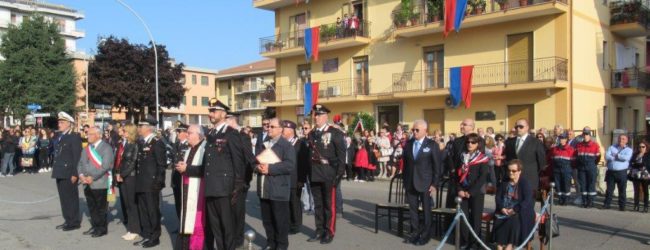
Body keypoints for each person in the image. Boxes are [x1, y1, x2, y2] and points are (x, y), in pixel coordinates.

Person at [202, 98, 246, 250]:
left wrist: (237, 187)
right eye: (210, 111)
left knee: (227, 228)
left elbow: (238, 162)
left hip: (225, 189)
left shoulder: (231, 133)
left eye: (214, 111)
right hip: (211, 187)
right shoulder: (210, 134)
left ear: (223, 113)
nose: (211, 114)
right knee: (216, 228)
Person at [306, 104, 345, 245]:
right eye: (315, 115)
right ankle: (319, 229)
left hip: (329, 174)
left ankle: (329, 231)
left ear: (325, 117)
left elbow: (341, 158)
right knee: (318, 205)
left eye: (319, 115)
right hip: (314, 174)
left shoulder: (335, 133)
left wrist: (338, 176)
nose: (316, 117)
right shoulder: (311, 134)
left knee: (329, 205)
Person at [254, 118, 296, 250]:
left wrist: (270, 169)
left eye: (272, 126)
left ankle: (281, 245)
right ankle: (270, 243)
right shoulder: (263, 143)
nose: (268, 128)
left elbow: (290, 165)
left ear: (280, 129)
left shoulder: (286, 145)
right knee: (267, 220)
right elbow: (254, 161)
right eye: (267, 126)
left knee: (280, 221)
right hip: (264, 188)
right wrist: (258, 168)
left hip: (278, 190)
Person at [402, 120, 442, 246]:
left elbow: (437, 167)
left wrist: (434, 184)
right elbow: (406, 165)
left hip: (425, 183)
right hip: (410, 182)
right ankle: (414, 233)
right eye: (413, 130)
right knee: (413, 209)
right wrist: (405, 181)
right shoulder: (408, 144)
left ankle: (425, 235)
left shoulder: (431, 145)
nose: (414, 132)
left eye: (417, 130)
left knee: (426, 210)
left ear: (425, 130)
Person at [133, 116, 167, 248]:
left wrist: (158, 182)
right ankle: (146, 234)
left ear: (148, 128)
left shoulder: (157, 143)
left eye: (141, 126)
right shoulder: (142, 142)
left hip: (151, 184)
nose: (139, 128)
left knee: (153, 211)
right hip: (141, 182)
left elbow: (161, 165)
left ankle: (154, 236)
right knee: (144, 210)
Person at [174, 124, 208, 250]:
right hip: (186, 190)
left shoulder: (205, 149)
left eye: (189, 133)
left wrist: (187, 168)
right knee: (186, 220)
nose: (186, 135)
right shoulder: (189, 149)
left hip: (198, 190)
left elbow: (205, 170)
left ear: (198, 135)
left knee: (196, 222)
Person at [226, 111, 257, 249]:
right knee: (228, 212)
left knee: (237, 212)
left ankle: (238, 238)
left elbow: (249, 159)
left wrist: (246, 181)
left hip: (240, 181)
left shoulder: (242, 136)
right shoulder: (225, 135)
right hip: (226, 180)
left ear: (231, 120)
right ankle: (230, 236)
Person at [78, 126, 114, 238]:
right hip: (86, 182)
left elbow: (105, 166)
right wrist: (81, 175)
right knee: (92, 206)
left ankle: (101, 228)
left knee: (101, 207)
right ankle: (95, 226)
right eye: (87, 134)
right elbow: (80, 164)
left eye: (91, 134)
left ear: (98, 135)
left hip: (100, 182)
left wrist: (92, 177)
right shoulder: (86, 148)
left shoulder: (106, 148)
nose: (88, 136)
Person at [455, 133, 489, 249]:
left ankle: (475, 242)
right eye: (468, 142)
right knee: (463, 217)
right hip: (462, 191)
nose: (470, 144)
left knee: (475, 218)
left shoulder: (482, 158)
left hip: (476, 192)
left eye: (473, 142)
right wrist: (459, 189)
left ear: (478, 144)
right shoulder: (462, 156)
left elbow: (482, 177)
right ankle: (465, 241)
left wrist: (471, 192)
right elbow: (456, 175)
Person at [493, 159, 535, 250]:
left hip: (519, 210)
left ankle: (510, 244)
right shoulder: (504, 181)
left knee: (514, 219)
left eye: (513, 171)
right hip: (504, 209)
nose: (510, 173)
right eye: (509, 170)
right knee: (498, 218)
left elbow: (527, 200)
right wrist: (502, 208)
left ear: (519, 171)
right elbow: (498, 197)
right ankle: (499, 244)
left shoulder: (525, 183)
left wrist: (514, 209)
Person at [52, 112, 82, 232]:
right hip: (60, 171)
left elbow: (77, 157)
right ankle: (67, 220)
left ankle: (74, 221)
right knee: (63, 198)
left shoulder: (74, 137)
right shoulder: (61, 137)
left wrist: (75, 173)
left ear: (69, 124)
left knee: (71, 198)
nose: (59, 124)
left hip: (69, 172)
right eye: (59, 122)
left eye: (62, 122)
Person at [446, 118, 483, 208]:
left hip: (472, 180)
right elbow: (451, 157)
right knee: (454, 206)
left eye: (464, 124)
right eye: (461, 124)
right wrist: (453, 170)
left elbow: (479, 159)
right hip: (457, 178)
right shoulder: (457, 141)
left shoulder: (480, 140)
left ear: (472, 127)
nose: (461, 126)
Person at [282, 120, 309, 234]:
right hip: (283, 178)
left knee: (295, 202)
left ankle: (296, 224)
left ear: (291, 130)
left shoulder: (300, 144)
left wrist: (301, 179)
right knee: (286, 202)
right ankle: (287, 222)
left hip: (295, 178)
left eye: (284, 129)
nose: (282, 131)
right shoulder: (283, 143)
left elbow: (303, 163)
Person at [504, 119, 546, 192]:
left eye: (521, 126)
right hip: (513, 180)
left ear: (527, 127)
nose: (518, 129)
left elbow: (542, 162)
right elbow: (508, 160)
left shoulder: (536, 142)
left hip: (530, 179)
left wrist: (532, 172)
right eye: (516, 127)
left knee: (528, 202)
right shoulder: (509, 142)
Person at [114, 123, 141, 241]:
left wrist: (122, 174)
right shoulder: (126, 144)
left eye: (125, 131)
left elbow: (133, 163)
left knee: (131, 204)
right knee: (126, 204)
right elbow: (121, 161)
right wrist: (118, 173)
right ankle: (131, 228)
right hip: (124, 177)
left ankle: (134, 229)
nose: (122, 132)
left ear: (130, 132)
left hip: (131, 177)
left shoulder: (134, 145)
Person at [603, 134, 632, 211]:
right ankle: (607, 204)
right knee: (609, 189)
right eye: (619, 138)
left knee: (622, 190)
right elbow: (606, 156)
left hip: (621, 172)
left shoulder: (629, 150)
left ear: (626, 141)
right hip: (611, 172)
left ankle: (622, 206)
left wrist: (616, 155)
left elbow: (626, 158)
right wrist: (616, 157)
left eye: (623, 139)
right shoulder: (611, 147)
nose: (621, 140)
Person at [575, 127, 601, 208]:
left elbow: (598, 157)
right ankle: (584, 201)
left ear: (590, 135)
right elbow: (576, 157)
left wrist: (593, 164)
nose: (585, 136)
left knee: (591, 185)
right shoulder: (579, 145)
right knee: (583, 185)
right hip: (581, 168)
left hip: (591, 167)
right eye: (584, 134)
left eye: (587, 134)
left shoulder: (595, 145)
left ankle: (590, 202)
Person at [549, 133, 575, 205]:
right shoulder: (554, 149)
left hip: (566, 170)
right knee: (558, 185)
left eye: (563, 139)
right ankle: (560, 199)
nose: (561, 140)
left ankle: (566, 199)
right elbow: (551, 159)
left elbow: (573, 161)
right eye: (560, 138)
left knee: (566, 185)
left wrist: (570, 170)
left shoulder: (570, 149)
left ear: (566, 140)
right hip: (557, 170)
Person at [172, 123, 190, 220]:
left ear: (185, 133)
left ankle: (185, 229)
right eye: (177, 132)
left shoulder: (189, 145)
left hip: (184, 178)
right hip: (176, 178)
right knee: (178, 203)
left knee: (185, 204)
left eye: (179, 132)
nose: (177, 134)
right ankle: (180, 226)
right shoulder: (176, 144)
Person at [630, 141, 650, 212]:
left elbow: (646, 164)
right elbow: (632, 163)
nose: (641, 148)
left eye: (643, 147)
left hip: (645, 175)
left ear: (646, 147)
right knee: (636, 190)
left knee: (645, 191)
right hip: (636, 174)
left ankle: (646, 206)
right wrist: (638, 160)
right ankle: (636, 205)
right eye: (639, 147)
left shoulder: (648, 155)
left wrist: (640, 164)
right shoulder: (635, 154)